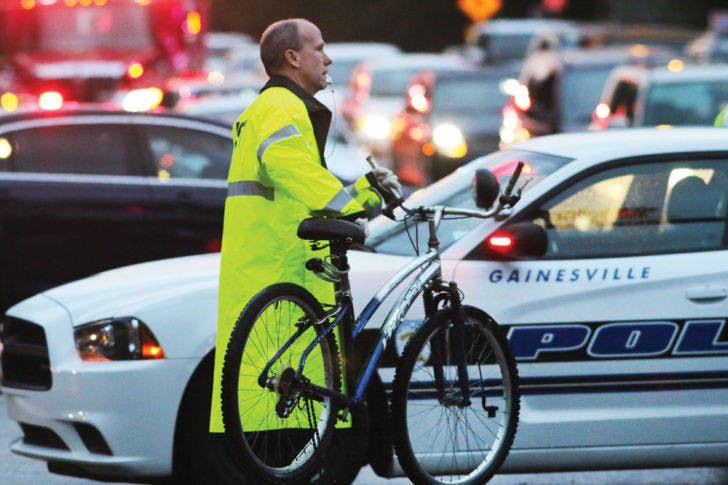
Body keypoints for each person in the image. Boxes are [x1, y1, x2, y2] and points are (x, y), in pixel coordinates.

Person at [208, 16, 400, 468]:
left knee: (292, 420)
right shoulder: (280, 106)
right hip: (282, 268)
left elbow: (298, 180)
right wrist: (354, 206)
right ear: (293, 58)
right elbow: (291, 168)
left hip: (274, 268)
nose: (328, 57)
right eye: (319, 47)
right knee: (290, 430)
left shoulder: (272, 106)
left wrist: (364, 192)